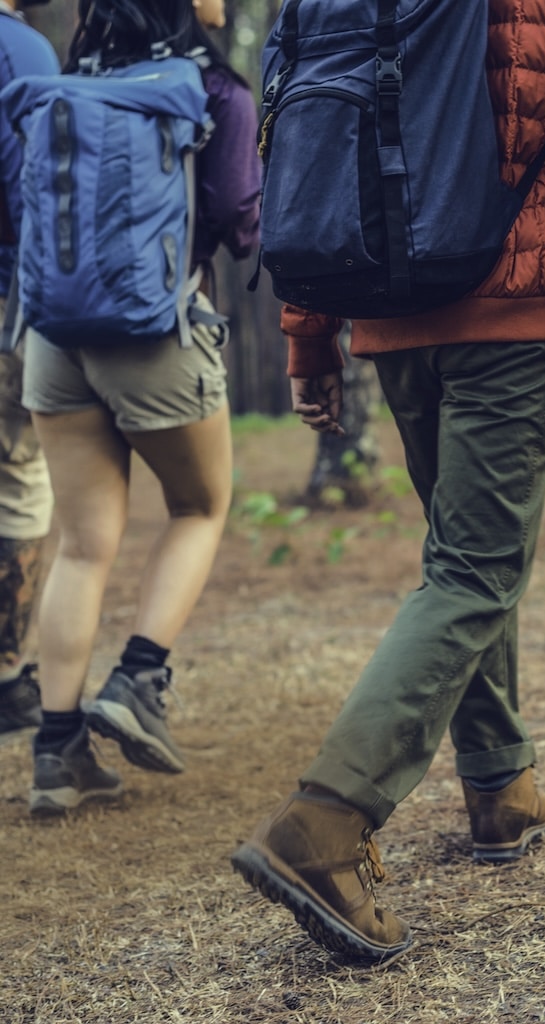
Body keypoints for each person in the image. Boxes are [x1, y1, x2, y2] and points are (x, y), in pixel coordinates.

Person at [231, 0, 545, 962]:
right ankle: (327, 822)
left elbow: (302, 139)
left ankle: (501, 787)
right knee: (475, 570)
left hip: (388, 306)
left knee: (466, 559)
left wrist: (310, 335)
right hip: (512, 302)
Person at [22, 0, 260, 815]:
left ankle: (56, 753)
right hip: (154, 333)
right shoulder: (213, 92)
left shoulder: (66, 82)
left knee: (84, 545)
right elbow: (237, 216)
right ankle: (139, 677)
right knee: (199, 505)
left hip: (54, 340)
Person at [0, 0, 56, 746]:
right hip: (8, 293)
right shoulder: (23, 53)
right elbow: (37, 193)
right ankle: (9, 677)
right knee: (17, 469)